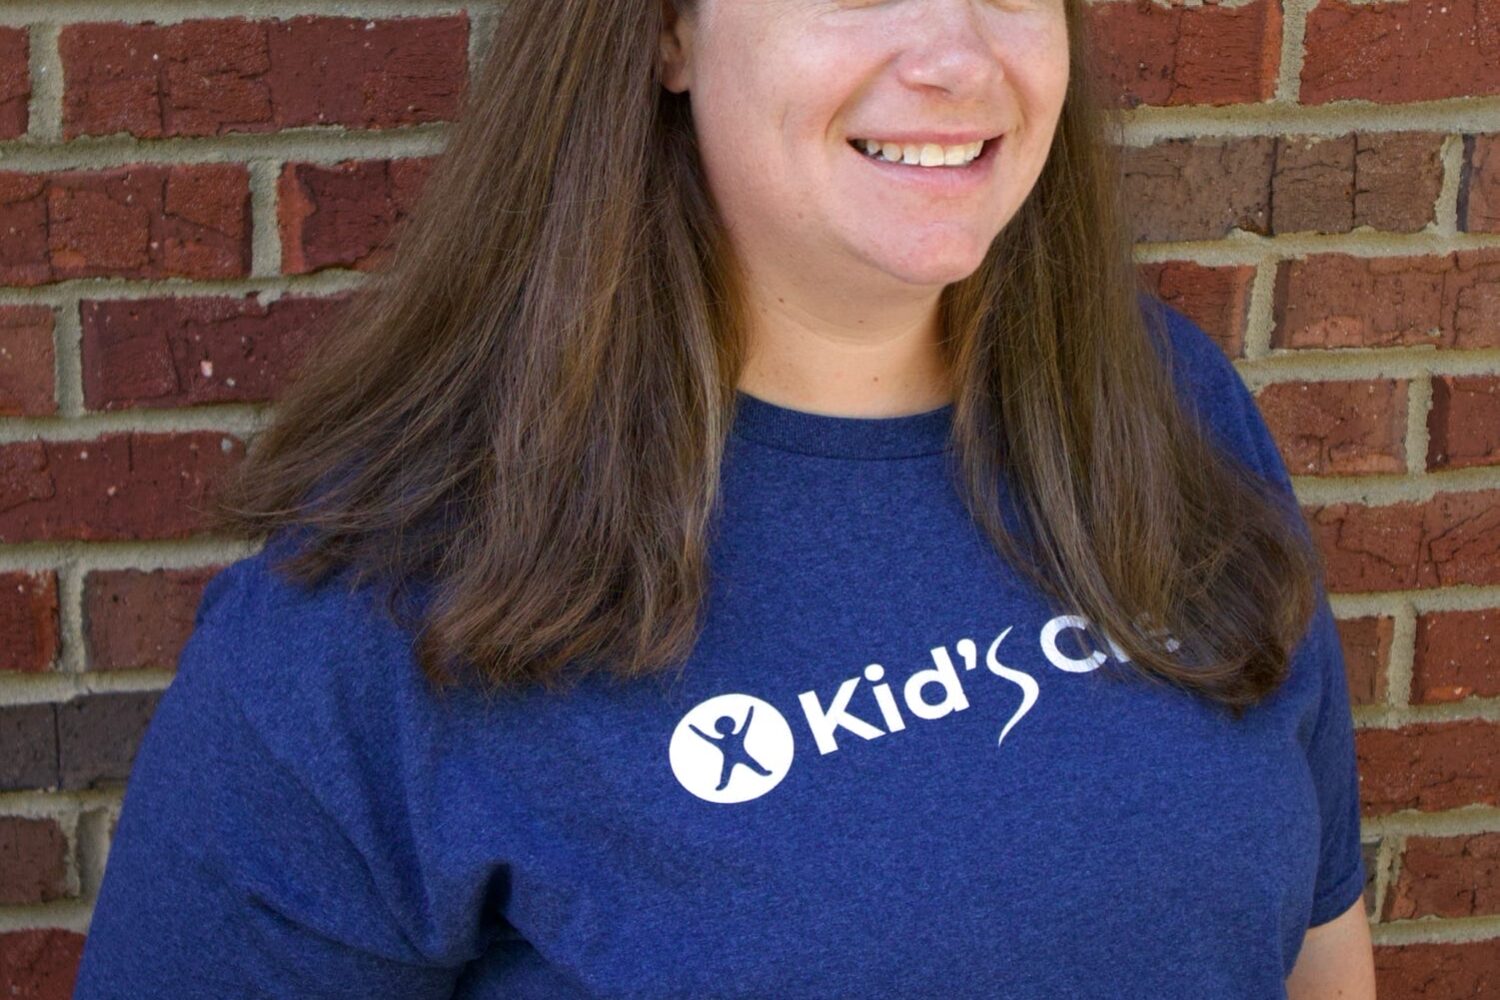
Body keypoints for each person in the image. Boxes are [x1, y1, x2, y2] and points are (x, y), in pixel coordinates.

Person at [71, 0, 1377, 996]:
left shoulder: (1166, 412)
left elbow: (1320, 957)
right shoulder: (380, 604)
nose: (960, 57)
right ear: (668, 32)